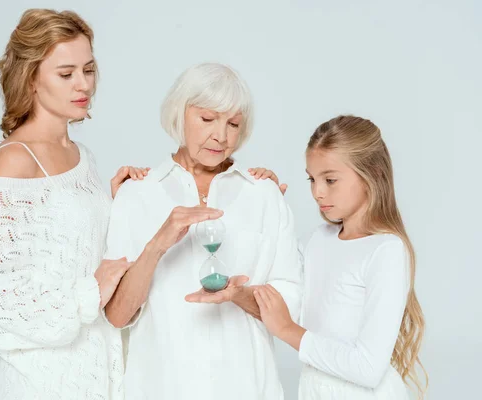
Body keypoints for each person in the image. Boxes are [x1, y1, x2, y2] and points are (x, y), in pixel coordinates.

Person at [0, 9, 141, 399]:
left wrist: (114, 206)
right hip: (42, 381)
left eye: (88, 70)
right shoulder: (15, 159)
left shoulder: (81, 155)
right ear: (32, 78)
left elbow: (66, 248)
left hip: (97, 371)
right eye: (66, 73)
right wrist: (88, 291)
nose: (83, 84)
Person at [104, 63, 302, 399]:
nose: (221, 136)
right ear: (179, 115)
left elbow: (292, 306)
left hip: (247, 387)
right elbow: (117, 315)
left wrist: (238, 295)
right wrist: (157, 244)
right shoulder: (137, 194)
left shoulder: (263, 194)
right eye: (207, 119)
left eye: (233, 124)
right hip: (161, 387)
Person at [255, 115, 428, 399]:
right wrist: (267, 202)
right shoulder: (318, 240)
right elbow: (281, 294)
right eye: (312, 179)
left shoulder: (386, 250)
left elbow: (368, 368)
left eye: (330, 179)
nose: (316, 192)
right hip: (314, 390)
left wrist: (287, 330)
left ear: (371, 174)